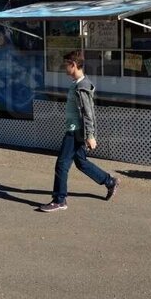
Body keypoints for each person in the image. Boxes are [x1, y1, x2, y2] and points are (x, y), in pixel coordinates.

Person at [39, 50, 120, 212]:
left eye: (66, 65)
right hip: (75, 130)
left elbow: (88, 113)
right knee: (81, 162)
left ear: (73, 65)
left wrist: (90, 135)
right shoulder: (77, 84)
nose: (64, 69)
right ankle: (110, 181)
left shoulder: (82, 86)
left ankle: (59, 200)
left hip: (75, 131)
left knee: (61, 164)